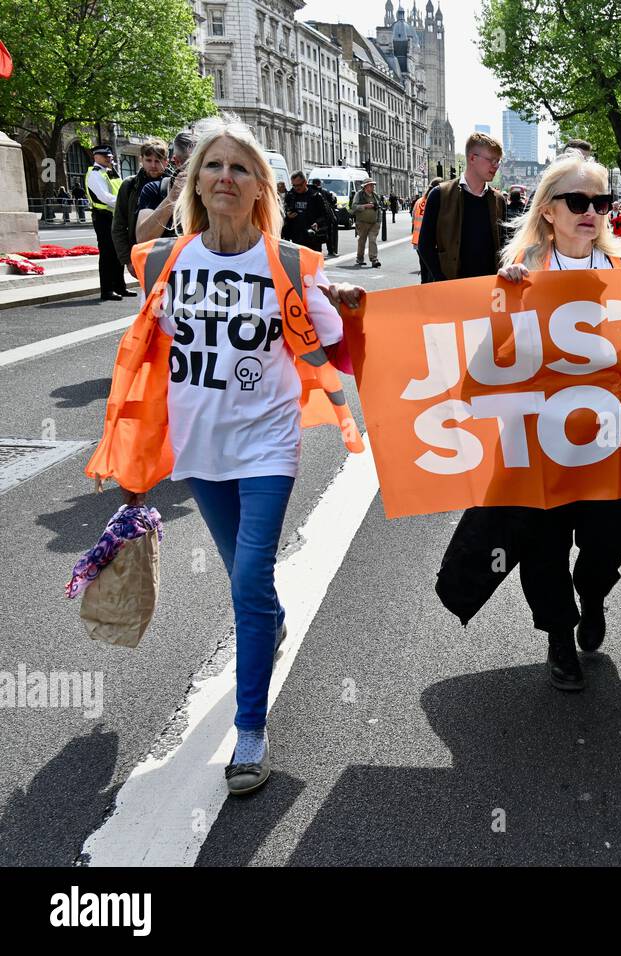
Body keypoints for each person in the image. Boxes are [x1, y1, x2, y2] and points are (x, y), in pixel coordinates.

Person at [86, 116, 364, 796]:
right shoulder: (164, 261)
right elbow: (143, 346)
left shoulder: (294, 264)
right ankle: (270, 624)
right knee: (249, 581)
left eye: (240, 169)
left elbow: (341, 353)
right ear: (196, 180)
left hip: (268, 444)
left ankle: (249, 732)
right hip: (199, 450)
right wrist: (135, 463)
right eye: (213, 167)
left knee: (245, 580)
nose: (225, 179)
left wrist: (351, 310)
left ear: (260, 186)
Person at [457, 154, 621, 691]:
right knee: (543, 545)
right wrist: (506, 304)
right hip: (538, 444)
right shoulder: (522, 275)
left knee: (609, 538)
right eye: (578, 201)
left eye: (601, 202)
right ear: (549, 211)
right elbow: (483, 368)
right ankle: (558, 635)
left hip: (609, 443)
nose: (591, 212)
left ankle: (592, 593)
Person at [417, 132, 507, 282]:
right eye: (491, 160)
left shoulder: (498, 200)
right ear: (472, 158)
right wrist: (441, 279)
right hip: (451, 289)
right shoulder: (439, 194)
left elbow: (504, 244)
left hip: (489, 289)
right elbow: (425, 245)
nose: (496, 166)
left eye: (498, 161)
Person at [111, 138, 167, 272]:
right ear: (141, 159)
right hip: (142, 253)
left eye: (158, 161)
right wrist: (127, 260)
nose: (153, 165)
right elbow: (118, 225)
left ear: (166, 161)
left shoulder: (173, 184)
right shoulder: (130, 185)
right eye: (149, 160)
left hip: (170, 251)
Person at [136, 132, 196, 244]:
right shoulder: (154, 189)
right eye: (191, 164)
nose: (153, 165)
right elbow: (142, 239)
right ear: (177, 162)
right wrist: (172, 197)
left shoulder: (215, 189)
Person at [85, 146, 129, 301]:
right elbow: (104, 197)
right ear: (96, 157)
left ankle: (120, 287)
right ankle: (107, 290)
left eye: (109, 156)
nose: (108, 158)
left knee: (118, 252)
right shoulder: (95, 174)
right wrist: (125, 201)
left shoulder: (110, 172)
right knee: (107, 254)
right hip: (103, 217)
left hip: (115, 215)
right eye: (104, 156)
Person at [282, 170, 330, 251]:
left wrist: (317, 223)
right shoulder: (290, 196)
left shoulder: (315, 196)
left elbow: (325, 215)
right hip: (296, 237)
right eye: (294, 185)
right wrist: (287, 215)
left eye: (299, 185)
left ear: (305, 182)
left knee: (313, 262)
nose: (297, 188)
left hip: (312, 237)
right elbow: (284, 213)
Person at [350, 178, 383, 267]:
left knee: (372, 240)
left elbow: (379, 208)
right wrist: (365, 206)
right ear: (365, 186)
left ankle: (374, 259)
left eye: (373, 185)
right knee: (362, 241)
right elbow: (353, 206)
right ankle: (360, 258)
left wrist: (378, 221)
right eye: (371, 185)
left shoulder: (375, 195)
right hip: (362, 223)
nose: (373, 187)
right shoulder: (359, 195)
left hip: (374, 223)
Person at [309, 178, 340, 258]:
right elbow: (332, 201)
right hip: (324, 217)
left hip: (313, 217)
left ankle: (316, 252)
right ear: (320, 184)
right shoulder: (324, 191)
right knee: (329, 234)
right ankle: (331, 251)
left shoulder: (309, 191)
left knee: (315, 235)